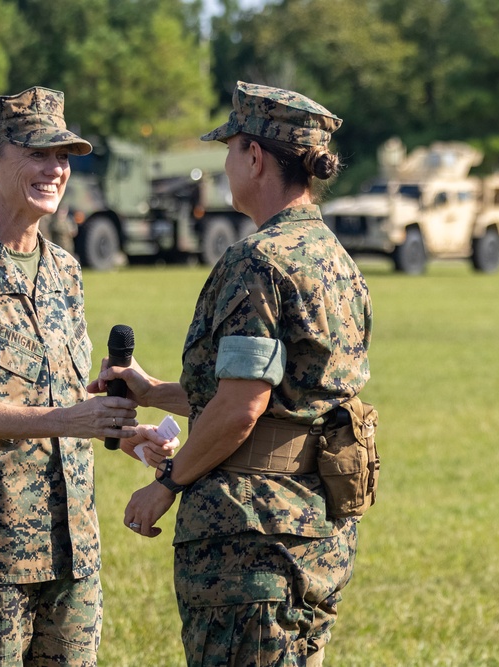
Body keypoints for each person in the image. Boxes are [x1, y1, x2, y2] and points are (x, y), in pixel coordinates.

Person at [93, 81, 374, 666]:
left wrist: (166, 485)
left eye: (230, 149)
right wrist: (153, 393)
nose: (223, 164)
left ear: (254, 156)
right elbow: (275, 397)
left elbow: (243, 407)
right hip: (313, 529)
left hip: (252, 538)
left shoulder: (259, 260)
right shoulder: (332, 256)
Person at [0, 86, 175, 666]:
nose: (56, 168)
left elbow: (60, 395)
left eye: (63, 155)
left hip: (71, 549)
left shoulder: (64, 271)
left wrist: (124, 433)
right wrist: (69, 418)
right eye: (37, 153)